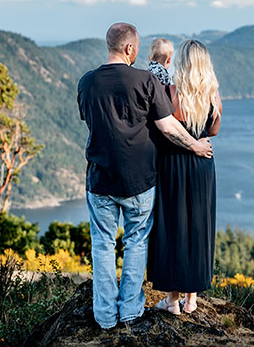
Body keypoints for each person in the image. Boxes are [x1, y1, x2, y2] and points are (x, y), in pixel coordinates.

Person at [77, 23, 213, 330]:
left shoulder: (87, 82)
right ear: (129, 49)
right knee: (136, 243)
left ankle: (104, 316)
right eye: (136, 47)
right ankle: (130, 312)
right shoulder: (146, 80)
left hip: (99, 178)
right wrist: (195, 146)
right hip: (139, 180)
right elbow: (168, 127)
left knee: (102, 245)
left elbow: (90, 120)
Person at [148, 39, 222, 315]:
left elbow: (163, 129)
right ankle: (192, 299)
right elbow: (213, 130)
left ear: (182, 64)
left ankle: (172, 300)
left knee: (172, 224)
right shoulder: (213, 96)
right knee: (198, 226)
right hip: (202, 164)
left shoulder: (170, 92)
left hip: (172, 163)